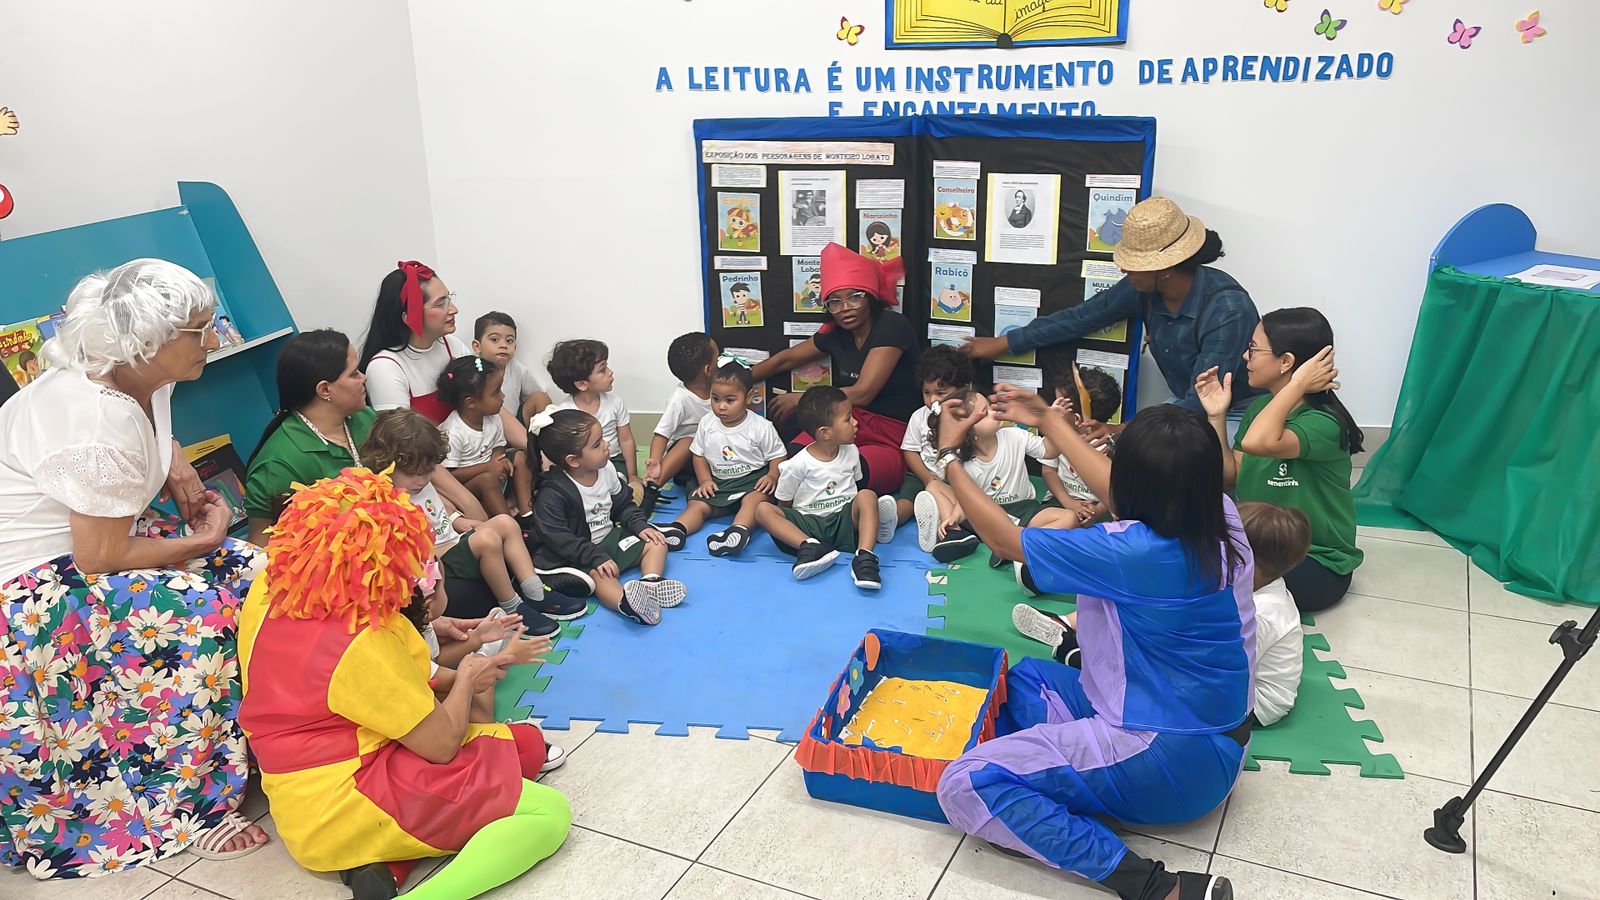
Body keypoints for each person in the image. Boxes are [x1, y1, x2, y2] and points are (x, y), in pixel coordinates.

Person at [0, 259, 270, 878]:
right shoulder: (93, 412)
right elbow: (99, 558)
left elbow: (150, 442)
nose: (214, 339)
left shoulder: (140, 377)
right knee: (199, 615)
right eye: (199, 329)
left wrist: (180, 477)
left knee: (258, 571)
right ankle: (186, 804)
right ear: (144, 342)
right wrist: (198, 544)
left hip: (91, 547)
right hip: (33, 585)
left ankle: (281, 736)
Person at [932, 384, 1252, 900]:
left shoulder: (1136, 551)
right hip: (1207, 736)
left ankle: (1155, 886)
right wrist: (1045, 419)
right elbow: (1120, 491)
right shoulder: (1218, 513)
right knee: (1024, 680)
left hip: (1170, 756)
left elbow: (1002, 540)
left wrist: (948, 457)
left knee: (967, 782)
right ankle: (1079, 787)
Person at [237, 468, 571, 900]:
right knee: (548, 811)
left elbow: (413, 683)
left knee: (521, 745)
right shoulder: (363, 640)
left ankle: (386, 862)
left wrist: (459, 654)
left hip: (303, 791)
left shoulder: (273, 583)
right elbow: (441, 744)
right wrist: (470, 674)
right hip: (350, 798)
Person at [964, 197, 1263, 440]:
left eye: (1133, 265)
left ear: (1166, 268)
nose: (1123, 271)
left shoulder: (1227, 310)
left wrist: (1120, 430)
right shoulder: (1143, 288)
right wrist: (1004, 342)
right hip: (1184, 402)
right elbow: (1081, 318)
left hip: (1233, 410)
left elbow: (1201, 402)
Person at [1198, 306, 1364, 613]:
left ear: (1286, 361)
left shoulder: (1323, 423)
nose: (1246, 357)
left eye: (1253, 349)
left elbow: (1258, 442)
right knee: (1184, 558)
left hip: (1314, 561)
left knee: (1202, 582)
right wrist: (1217, 416)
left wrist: (1298, 384)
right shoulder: (1261, 408)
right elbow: (1230, 478)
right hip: (1256, 545)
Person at [362, 409, 582, 634]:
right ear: (385, 464)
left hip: (454, 542)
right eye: (413, 474)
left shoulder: (417, 483)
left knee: (505, 521)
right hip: (439, 562)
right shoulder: (387, 497)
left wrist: (457, 520)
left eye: (428, 472)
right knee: (487, 539)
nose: (421, 480)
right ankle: (511, 607)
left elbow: (438, 509)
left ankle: (534, 591)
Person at [752, 242, 920, 498]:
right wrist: (741, 378)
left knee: (853, 476)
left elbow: (863, 393)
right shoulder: (836, 333)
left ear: (870, 296)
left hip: (890, 436)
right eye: (835, 301)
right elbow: (786, 360)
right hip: (843, 424)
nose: (845, 308)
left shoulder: (891, 325)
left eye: (855, 297)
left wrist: (802, 400)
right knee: (794, 462)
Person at [529, 408, 687, 626]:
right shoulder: (553, 493)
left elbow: (623, 504)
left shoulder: (606, 468)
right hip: (576, 552)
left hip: (608, 539)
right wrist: (594, 556)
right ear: (573, 460)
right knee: (601, 577)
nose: (606, 445)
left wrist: (640, 526)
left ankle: (650, 582)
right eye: (597, 444)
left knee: (656, 542)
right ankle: (627, 604)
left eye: (603, 438)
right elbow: (558, 538)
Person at [755, 387, 898, 589]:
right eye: (848, 419)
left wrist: (857, 513)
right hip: (810, 524)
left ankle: (864, 558)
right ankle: (810, 546)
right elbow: (784, 504)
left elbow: (856, 488)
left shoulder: (852, 452)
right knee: (762, 510)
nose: (856, 423)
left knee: (867, 496)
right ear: (825, 433)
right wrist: (793, 526)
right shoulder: (797, 464)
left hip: (843, 522)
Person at [918, 389, 1080, 563]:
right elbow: (964, 499)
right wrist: (953, 517)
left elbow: (1049, 450)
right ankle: (956, 533)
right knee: (934, 486)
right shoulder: (961, 461)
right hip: (988, 518)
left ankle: (1017, 547)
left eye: (990, 406)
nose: (994, 412)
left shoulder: (1014, 435)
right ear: (968, 431)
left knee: (1069, 518)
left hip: (1024, 511)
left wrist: (1055, 422)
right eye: (986, 413)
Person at [655, 355, 786, 556]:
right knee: (698, 503)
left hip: (751, 479)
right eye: (715, 399)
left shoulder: (761, 427)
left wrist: (772, 476)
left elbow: (778, 455)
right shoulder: (707, 424)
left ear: (749, 397)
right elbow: (698, 455)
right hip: (719, 482)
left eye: (730, 400)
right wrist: (705, 480)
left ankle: (738, 531)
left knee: (756, 499)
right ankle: (678, 529)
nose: (721, 406)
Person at [360, 260, 469, 425]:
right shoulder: (385, 367)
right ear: (409, 317)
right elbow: (404, 442)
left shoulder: (453, 346)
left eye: (449, 298)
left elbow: (487, 402)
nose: (454, 310)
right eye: (440, 304)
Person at [1237, 501, 1312, 726]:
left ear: (1251, 566)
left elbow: (1228, 663)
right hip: (1247, 681)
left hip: (1259, 703)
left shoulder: (1262, 614)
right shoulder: (1261, 584)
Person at [545, 339, 642, 499]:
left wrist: (633, 475)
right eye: (603, 370)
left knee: (621, 487)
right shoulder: (566, 412)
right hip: (582, 467)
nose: (610, 372)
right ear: (582, 384)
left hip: (613, 461)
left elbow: (626, 440)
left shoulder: (614, 402)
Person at [437, 356, 534, 516]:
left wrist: (498, 461)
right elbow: (450, 475)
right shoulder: (453, 432)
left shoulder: (493, 417)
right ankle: (508, 523)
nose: (502, 396)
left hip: (495, 473)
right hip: (471, 487)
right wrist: (488, 467)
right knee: (486, 480)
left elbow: (498, 445)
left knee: (519, 457)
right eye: (496, 393)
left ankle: (527, 513)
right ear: (471, 403)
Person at [902, 346, 974, 548]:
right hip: (923, 472)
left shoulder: (970, 418)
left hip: (958, 480)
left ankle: (952, 529)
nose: (932, 400)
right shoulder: (919, 416)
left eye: (941, 393)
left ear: (963, 390)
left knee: (955, 495)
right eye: (927, 392)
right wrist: (926, 476)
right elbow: (910, 450)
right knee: (908, 501)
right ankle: (890, 519)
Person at [641, 332, 718, 514]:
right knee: (688, 441)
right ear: (708, 369)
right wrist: (655, 461)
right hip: (686, 457)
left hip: (715, 455)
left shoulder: (720, 386)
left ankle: (697, 484)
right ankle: (651, 488)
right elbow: (662, 433)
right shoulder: (680, 398)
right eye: (718, 357)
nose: (720, 361)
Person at [1039, 365, 1123, 528]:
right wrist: (1068, 502)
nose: (1053, 408)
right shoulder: (1056, 435)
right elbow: (1049, 471)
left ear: (1077, 418)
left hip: (1100, 507)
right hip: (1061, 501)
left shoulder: (1110, 445)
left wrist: (1096, 511)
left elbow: (1114, 490)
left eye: (1059, 404)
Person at [472, 311, 554, 425]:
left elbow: (536, 394)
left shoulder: (517, 368)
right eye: (494, 339)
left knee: (540, 398)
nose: (503, 345)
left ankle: (547, 439)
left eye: (509, 341)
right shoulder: (471, 367)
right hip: (484, 424)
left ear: (515, 347)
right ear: (477, 346)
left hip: (513, 423)